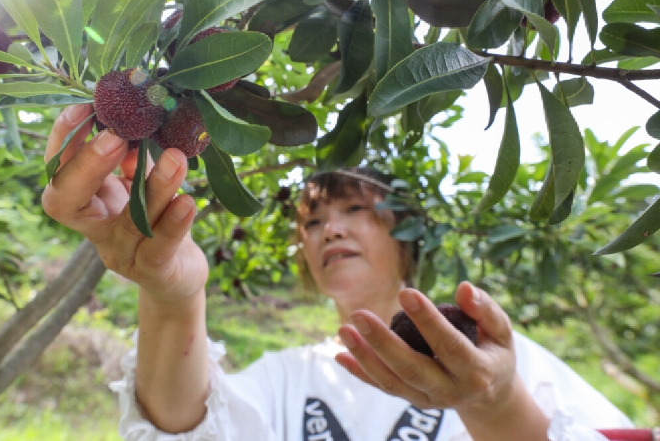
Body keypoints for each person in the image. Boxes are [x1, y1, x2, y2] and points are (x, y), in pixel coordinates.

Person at [42, 103, 634, 441]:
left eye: (355, 210)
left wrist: (496, 403)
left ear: (404, 233)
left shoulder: (493, 358)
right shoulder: (285, 377)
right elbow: (186, 430)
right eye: (314, 220)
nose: (332, 229)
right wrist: (172, 294)